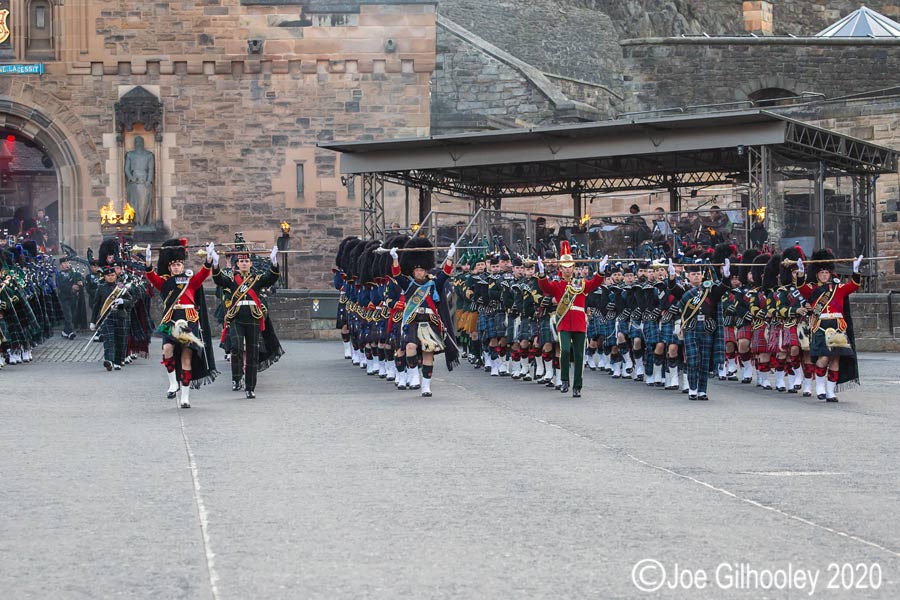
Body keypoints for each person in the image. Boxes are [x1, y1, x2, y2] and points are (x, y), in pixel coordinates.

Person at [144, 239, 217, 408]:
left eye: (179, 264)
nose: (176, 267)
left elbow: (203, 274)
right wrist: (148, 263)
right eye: (173, 265)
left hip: (188, 319)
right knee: (167, 349)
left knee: (186, 358)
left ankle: (185, 396)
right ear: (169, 268)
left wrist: (208, 259)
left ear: (182, 265)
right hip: (171, 318)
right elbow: (151, 276)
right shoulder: (164, 282)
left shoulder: (190, 281)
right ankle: (173, 383)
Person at [210, 240, 282, 399]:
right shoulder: (231, 279)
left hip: (253, 316)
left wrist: (274, 262)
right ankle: (236, 378)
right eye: (241, 261)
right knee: (235, 347)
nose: (244, 263)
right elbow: (218, 281)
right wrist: (215, 264)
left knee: (252, 352)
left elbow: (271, 278)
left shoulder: (256, 279)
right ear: (236, 265)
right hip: (236, 316)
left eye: (246, 261)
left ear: (250, 263)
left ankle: (250, 387)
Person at [535, 241, 608, 397]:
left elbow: (595, 283)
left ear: (573, 268)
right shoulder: (557, 284)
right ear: (560, 269)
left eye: (570, 267)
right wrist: (541, 274)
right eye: (565, 267)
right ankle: (564, 380)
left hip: (579, 323)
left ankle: (577, 386)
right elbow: (545, 287)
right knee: (565, 350)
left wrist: (600, 271)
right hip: (564, 323)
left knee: (579, 355)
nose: (567, 270)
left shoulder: (580, 284)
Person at [389, 236, 458, 397]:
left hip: (429, 321)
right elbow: (397, 275)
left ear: (426, 270)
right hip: (413, 320)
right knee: (410, 347)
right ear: (413, 272)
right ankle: (413, 375)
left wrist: (450, 256)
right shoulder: (409, 285)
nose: (419, 272)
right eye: (416, 270)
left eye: (421, 270)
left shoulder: (434, 284)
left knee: (428, 352)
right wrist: (395, 259)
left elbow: (446, 273)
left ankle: (426, 386)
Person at [797, 249, 863, 402]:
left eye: (827, 272)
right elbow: (801, 288)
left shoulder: (838, 288)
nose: (825, 275)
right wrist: (801, 273)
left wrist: (855, 270)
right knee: (824, 358)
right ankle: (820, 387)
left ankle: (830, 391)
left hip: (837, 326)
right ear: (817, 274)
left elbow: (853, 286)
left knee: (835, 359)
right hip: (821, 325)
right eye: (822, 273)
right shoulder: (812, 290)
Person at [90, 265, 131, 371]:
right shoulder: (101, 288)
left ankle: (118, 361)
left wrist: (123, 302)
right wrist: (93, 321)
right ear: (104, 276)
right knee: (109, 339)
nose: (111, 277)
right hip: (107, 317)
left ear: (115, 276)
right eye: (108, 275)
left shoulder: (121, 288)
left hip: (120, 316)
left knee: (120, 339)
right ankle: (109, 360)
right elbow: (96, 305)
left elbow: (130, 301)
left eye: (112, 275)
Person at [124, 136, 155, 225]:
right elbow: (127, 169)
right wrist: (131, 177)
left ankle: (142, 222)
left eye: (140, 142)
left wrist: (148, 181)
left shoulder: (148, 155)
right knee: (133, 203)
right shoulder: (130, 155)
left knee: (144, 204)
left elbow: (151, 169)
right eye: (136, 142)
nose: (138, 144)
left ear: (142, 143)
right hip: (133, 182)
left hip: (144, 181)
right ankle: (135, 222)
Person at [56, 255, 83, 339]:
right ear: (61, 265)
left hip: (73, 297)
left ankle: (65, 331)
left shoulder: (73, 272)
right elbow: (61, 285)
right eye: (64, 263)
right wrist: (71, 287)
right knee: (68, 316)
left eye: (68, 262)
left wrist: (80, 283)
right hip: (64, 298)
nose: (67, 264)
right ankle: (71, 332)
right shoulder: (59, 274)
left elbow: (80, 278)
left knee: (73, 315)